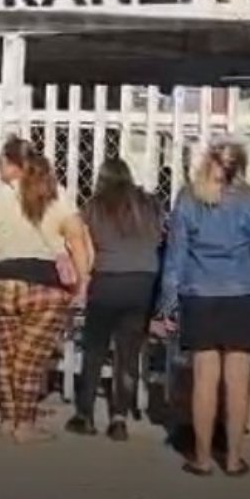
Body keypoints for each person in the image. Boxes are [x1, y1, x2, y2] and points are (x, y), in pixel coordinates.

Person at [153, 138, 250, 477]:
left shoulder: (188, 199)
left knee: (204, 380)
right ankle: (235, 458)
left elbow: (175, 260)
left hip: (200, 296)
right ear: (239, 166)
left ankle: (202, 457)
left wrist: (165, 306)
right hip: (243, 295)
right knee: (239, 381)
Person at [0, 137, 91, 445]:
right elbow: (77, 241)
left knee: (6, 354)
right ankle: (25, 424)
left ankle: (9, 418)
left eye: (1, 163)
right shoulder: (55, 195)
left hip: (1, 281)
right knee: (31, 359)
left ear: (10, 165)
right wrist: (82, 283)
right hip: (44, 285)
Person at [67, 157, 163, 442]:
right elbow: (158, 237)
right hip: (142, 281)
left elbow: (86, 245)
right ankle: (119, 417)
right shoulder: (149, 204)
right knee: (128, 353)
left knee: (95, 349)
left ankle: (85, 414)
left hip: (108, 280)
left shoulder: (95, 207)